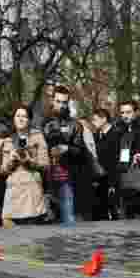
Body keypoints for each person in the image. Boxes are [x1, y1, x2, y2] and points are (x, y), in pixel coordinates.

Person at [0, 105, 48, 225]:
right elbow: (2, 170)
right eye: (18, 116)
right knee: (11, 233)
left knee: (35, 233)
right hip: (12, 195)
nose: (21, 119)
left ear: (29, 120)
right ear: (13, 118)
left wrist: (29, 161)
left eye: (24, 116)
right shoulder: (6, 139)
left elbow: (45, 164)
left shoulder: (37, 136)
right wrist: (11, 160)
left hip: (32, 194)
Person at [42, 86, 86, 225]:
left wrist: (66, 148)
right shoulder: (43, 123)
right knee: (46, 227)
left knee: (68, 222)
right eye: (58, 101)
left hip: (66, 179)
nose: (61, 105)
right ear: (52, 101)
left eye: (64, 102)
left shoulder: (75, 125)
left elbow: (80, 151)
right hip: (46, 180)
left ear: (68, 102)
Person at [90, 108, 119, 220]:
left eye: (95, 119)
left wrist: (113, 183)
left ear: (104, 119)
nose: (93, 122)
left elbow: (116, 160)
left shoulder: (116, 134)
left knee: (114, 215)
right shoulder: (96, 135)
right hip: (99, 180)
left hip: (113, 180)